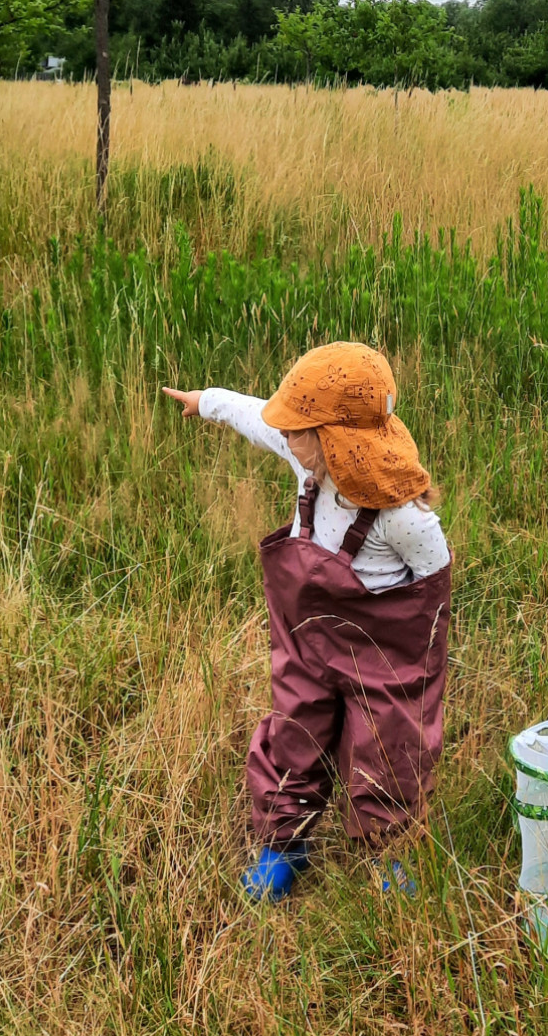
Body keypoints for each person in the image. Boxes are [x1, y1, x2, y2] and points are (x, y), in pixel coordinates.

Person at [163, 343, 451, 901]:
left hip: (383, 654)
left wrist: (418, 674)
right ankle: (284, 845)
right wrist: (206, 401)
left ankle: (387, 852)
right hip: (308, 641)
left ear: (333, 439)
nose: (285, 436)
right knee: (293, 733)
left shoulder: (405, 518)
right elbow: (256, 416)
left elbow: (431, 594)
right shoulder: (306, 459)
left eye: (297, 429)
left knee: (388, 750)